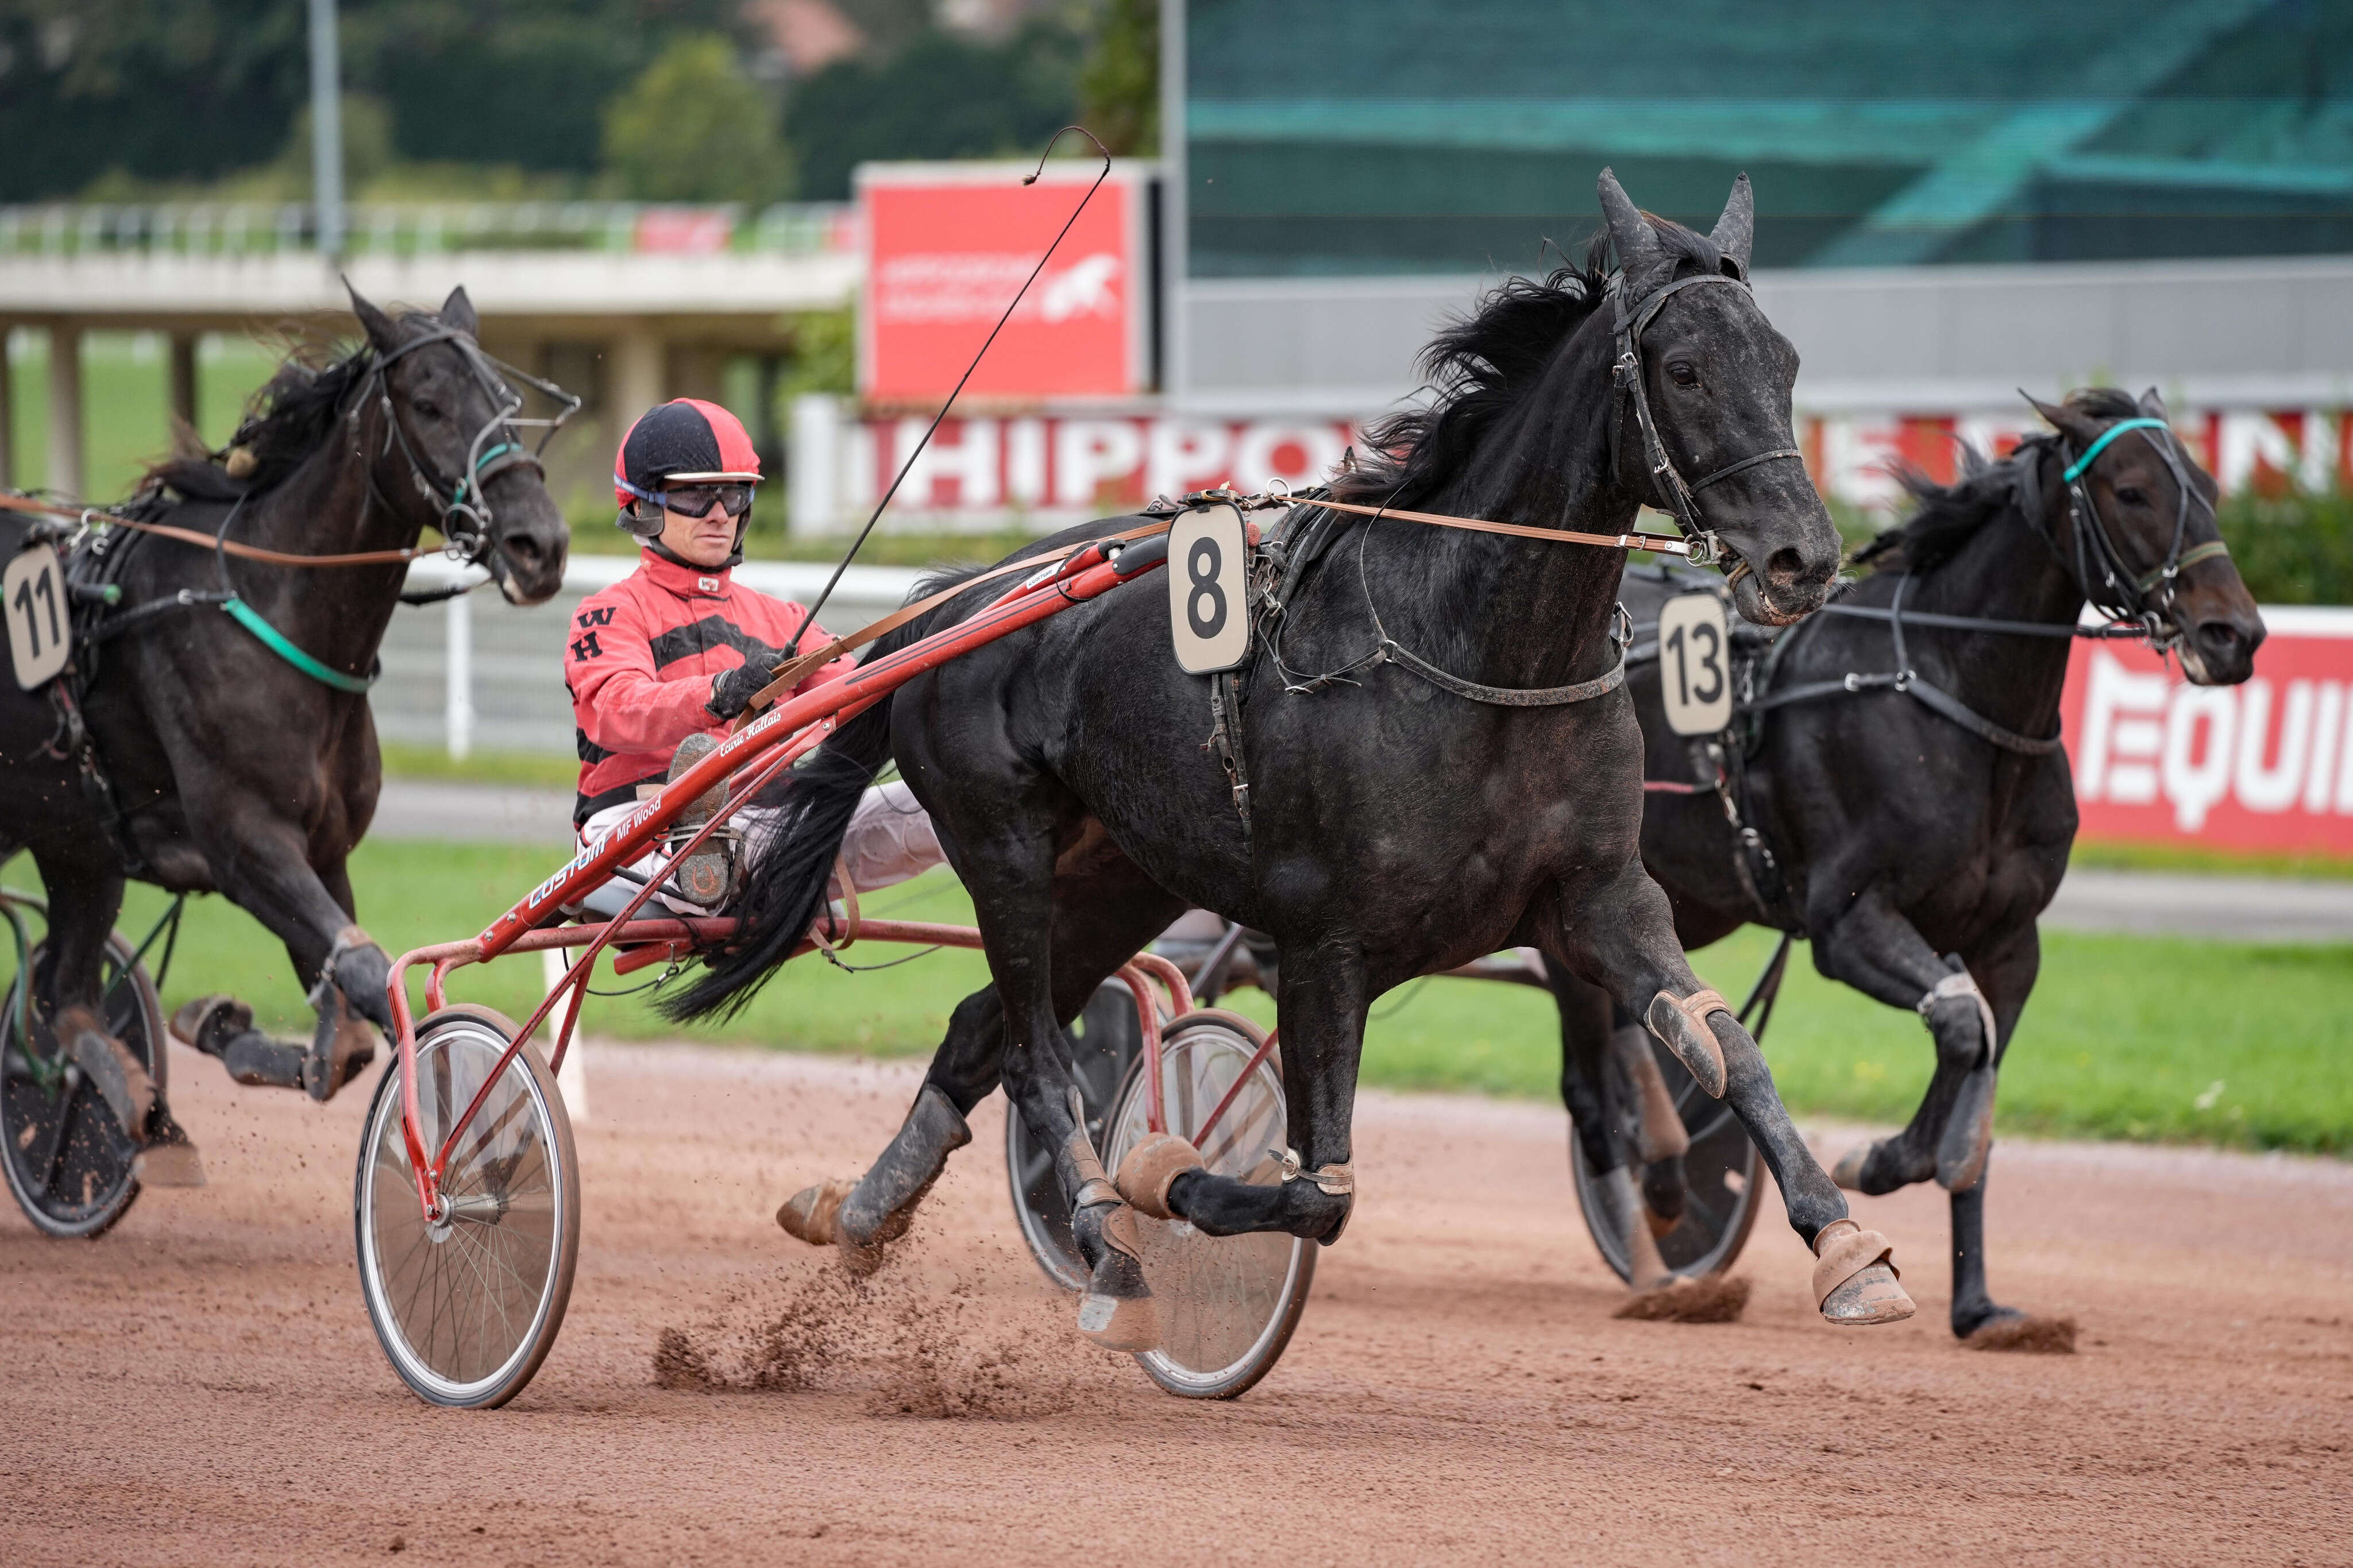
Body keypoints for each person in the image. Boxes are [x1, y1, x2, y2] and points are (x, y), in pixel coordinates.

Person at [565, 398, 941, 912]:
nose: (720, 513)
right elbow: (613, 712)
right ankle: (703, 853)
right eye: (697, 496)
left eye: (734, 494)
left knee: (947, 803)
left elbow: (858, 696)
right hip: (634, 827)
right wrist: (720, 693)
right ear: (641, 505)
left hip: (772, 821)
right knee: (725, 835)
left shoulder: (783, 619)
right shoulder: (611, 611)